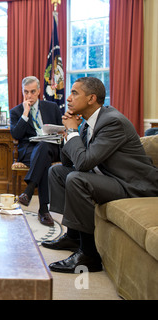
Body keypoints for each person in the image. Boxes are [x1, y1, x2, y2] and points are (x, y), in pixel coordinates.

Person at [43, 77, 158, 273]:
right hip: (111, 178)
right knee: (58, 172)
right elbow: (68, 163)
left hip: (134, 185)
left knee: (77, 179)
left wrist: (72, 131)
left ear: (91, 98)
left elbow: (84, 163)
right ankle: (73, 236)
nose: (68, 98)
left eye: (74, 93)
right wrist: (68, 133)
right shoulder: (89, 122)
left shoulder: (112, 121)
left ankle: (89, 255)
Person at [10, 76, 63, 226]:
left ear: (39, 91)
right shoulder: (16, 112)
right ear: (22, 92)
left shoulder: (52, 107)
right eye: (26, 92)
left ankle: (28, 191)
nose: (29, 95)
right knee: (43, 158)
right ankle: (44, 210)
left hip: (51, 147)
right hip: (29, 151)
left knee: (44, 147)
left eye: (33, 92)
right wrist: (25, 113)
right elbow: (16, 135)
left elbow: (61, 130)